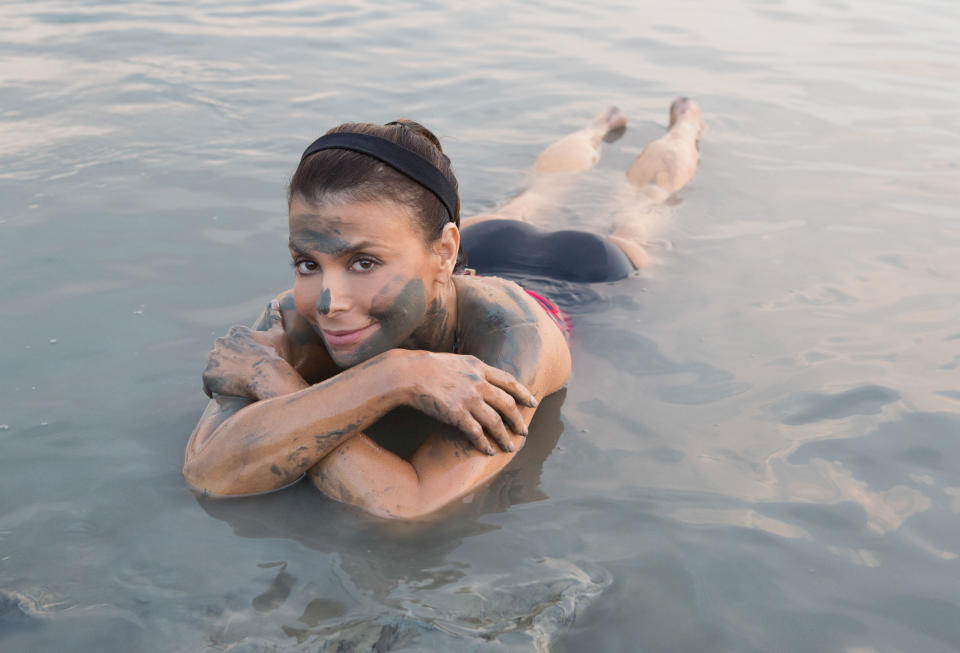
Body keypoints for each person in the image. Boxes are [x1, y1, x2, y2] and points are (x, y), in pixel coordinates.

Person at [183, 98, 703, 519]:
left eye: (362, 263)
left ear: (445, 253)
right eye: (306, 262)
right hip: (472, 250)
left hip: (583, 278)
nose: (329, 301)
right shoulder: (292, 318)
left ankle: (683, 127)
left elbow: (407, 506)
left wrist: (278, 383)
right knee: (535, 194)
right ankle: (597, 126)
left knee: (644, 204)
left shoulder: (512, 338)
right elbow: (210, 474)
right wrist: (396, 376)